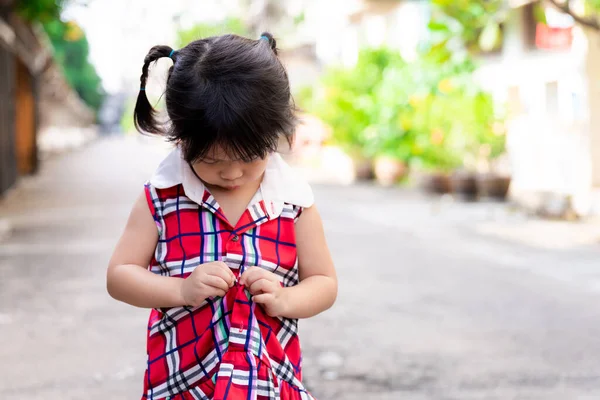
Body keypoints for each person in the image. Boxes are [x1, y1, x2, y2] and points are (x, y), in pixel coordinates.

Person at [106, 32, 338, 400]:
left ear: (274, 137)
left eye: (249, 159)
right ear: (180, 138)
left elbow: (324, 282)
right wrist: (179, 289)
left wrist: (285, 300)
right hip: (182, 380)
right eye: (212, 161)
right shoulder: (162, 198)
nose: (231, 175)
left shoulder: (293, 203)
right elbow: (119, 276)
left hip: (268, 381)